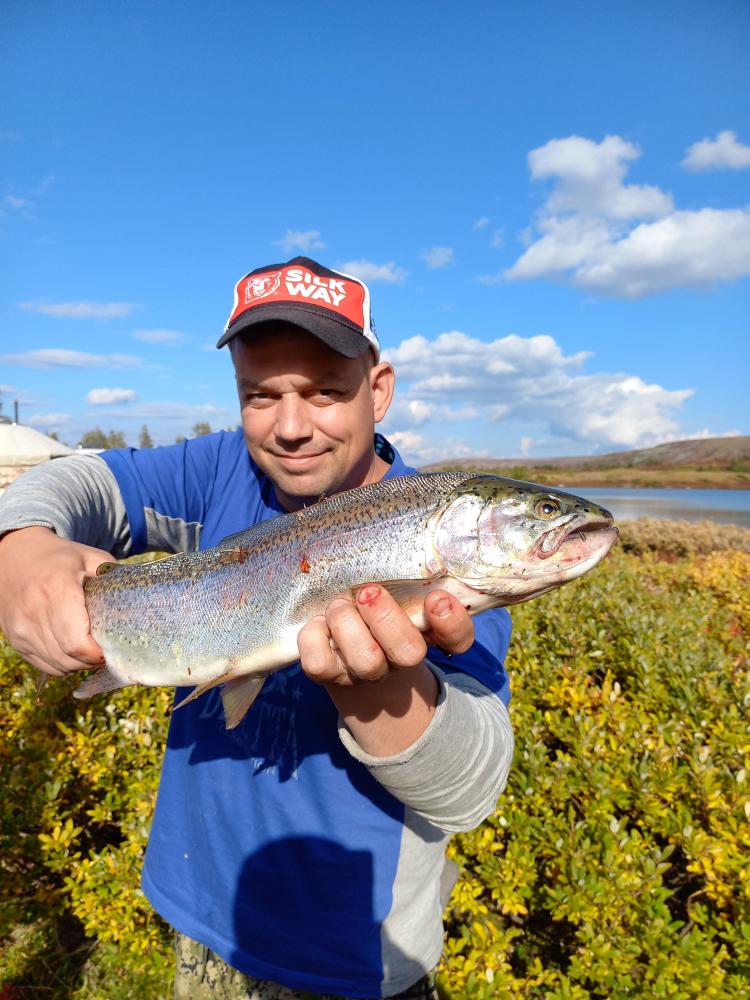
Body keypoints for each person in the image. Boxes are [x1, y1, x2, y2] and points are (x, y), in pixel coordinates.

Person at [0, 257, 514, 1000]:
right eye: (260, 395)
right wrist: (22, 546)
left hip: (359, 962)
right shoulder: (222, 469)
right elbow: (80, 479)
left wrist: (381, 692)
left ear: (380, 390)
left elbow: (470, 792)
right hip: (203, 914)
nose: (290, 427)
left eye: (325, 393)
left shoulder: (445, 548)